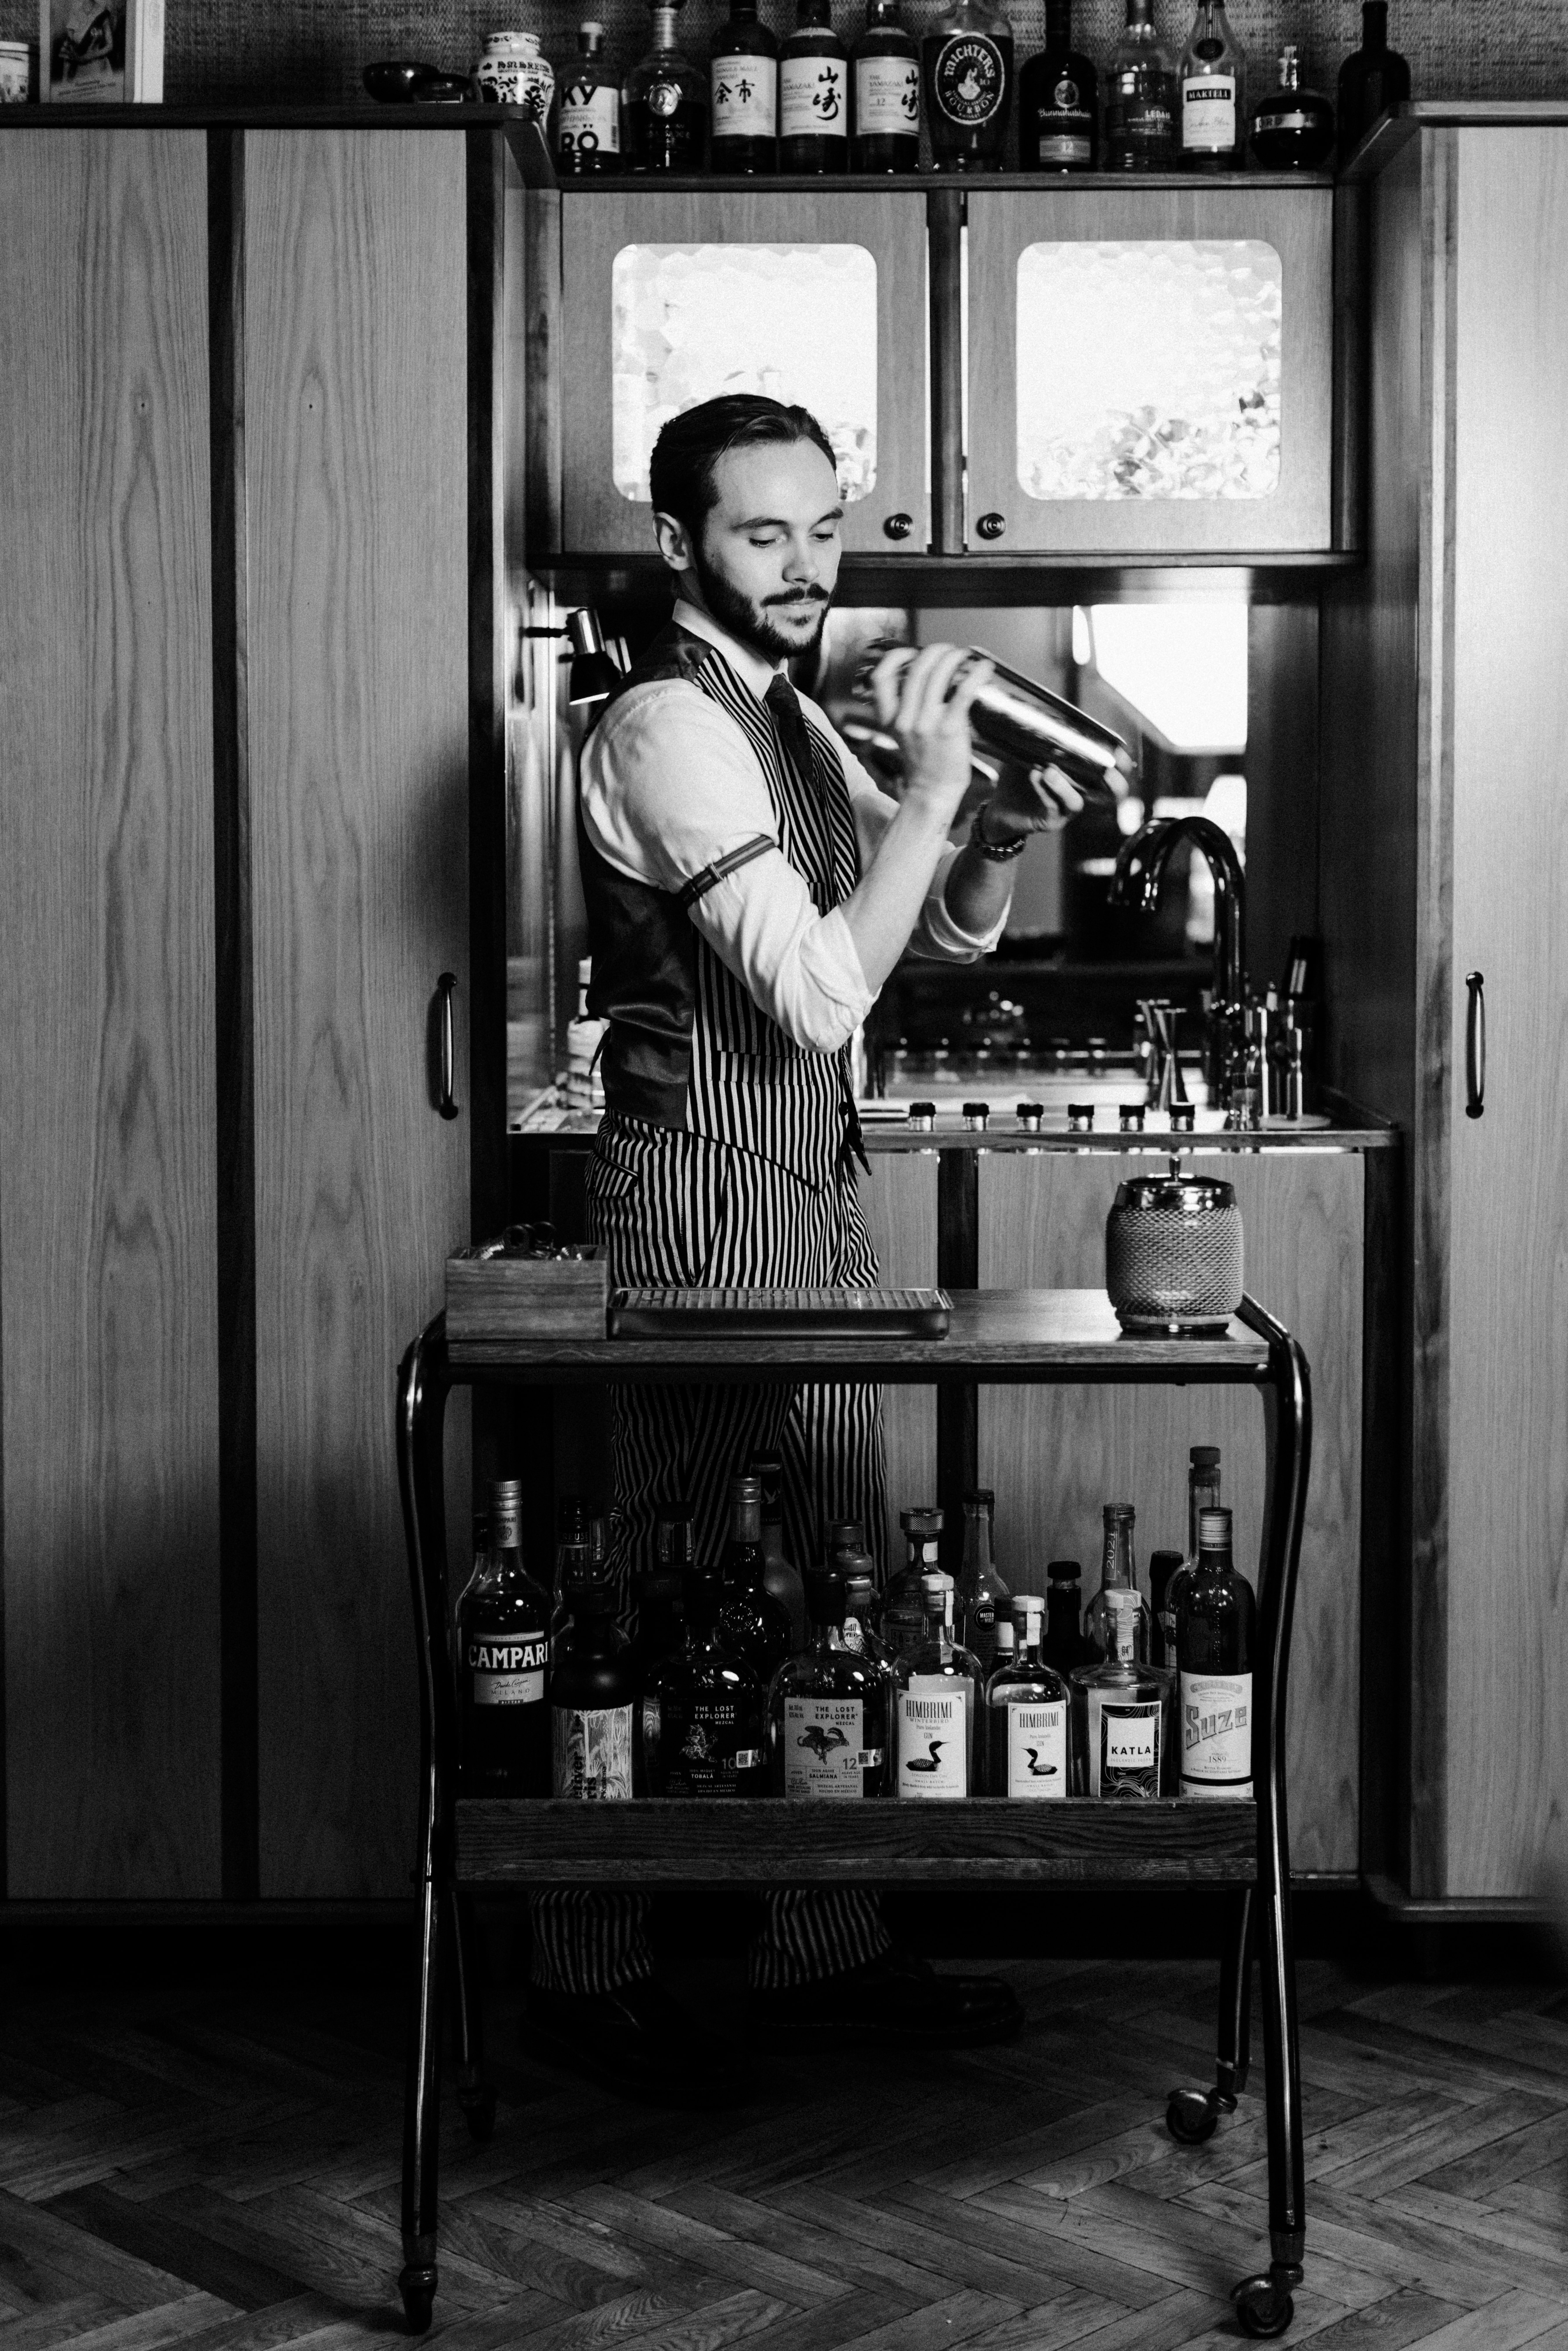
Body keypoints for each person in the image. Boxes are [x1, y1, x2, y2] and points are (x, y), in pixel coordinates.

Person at [527, 393, 1075, 2102]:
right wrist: (921, 792)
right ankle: (582, 1956)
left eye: (823, 528)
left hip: (814, 1184)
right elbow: (822, 986)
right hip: (691, 1186)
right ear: (682, 542)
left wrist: (979, 817)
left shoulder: (780, 713)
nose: (803, 564)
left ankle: (822, 1939)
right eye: (764, 534)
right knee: (652, 1572)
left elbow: (942, 940)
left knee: (837, 1570)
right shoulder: (662, 730)